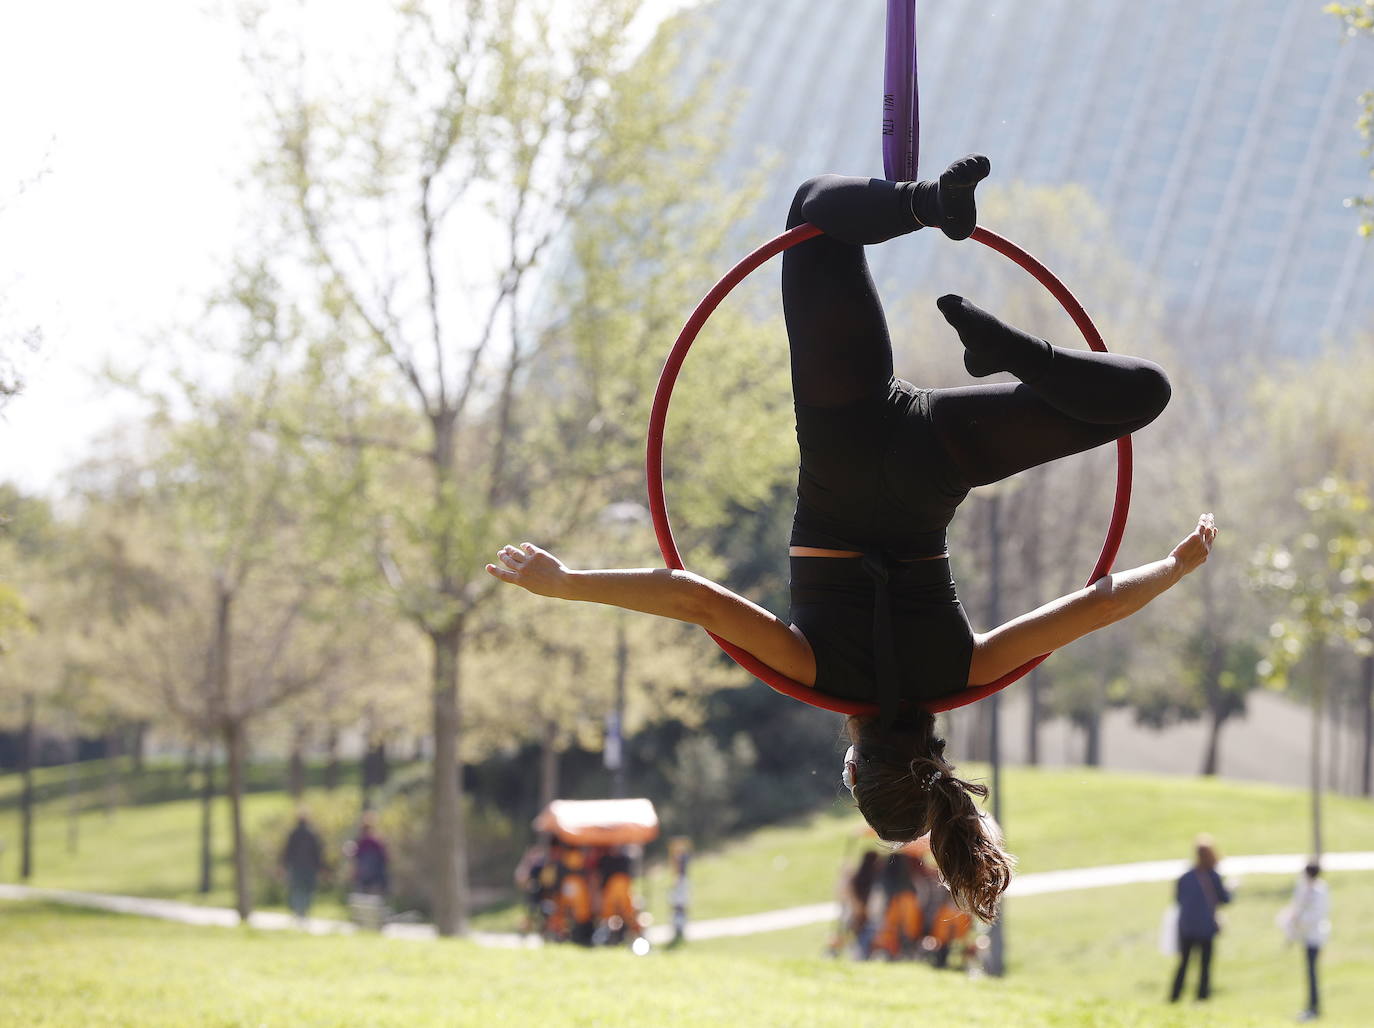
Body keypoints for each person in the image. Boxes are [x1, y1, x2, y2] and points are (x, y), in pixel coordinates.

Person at [487, 156, 1217, 922]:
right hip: (847, 428)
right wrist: (567, 582)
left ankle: (1011, 350)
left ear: (935, 761)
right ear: (850, 766)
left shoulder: (963, 671)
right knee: (813, 216)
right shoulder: (811, 671)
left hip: (941, 456)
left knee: (1140, 394)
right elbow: (688, 595)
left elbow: (1091, 608)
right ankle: (926, 202)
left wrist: (1172, 567)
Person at [1169, 836, 1232, 1002]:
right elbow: (1225, 899)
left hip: (1186, 927)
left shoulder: (1185, 876)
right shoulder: (1213, 876)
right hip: (1205, 928)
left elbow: (1177, 899)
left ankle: (1175, 996)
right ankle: (1201, 998)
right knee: (1204, 965)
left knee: (1183, 963)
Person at [1283, 861, 1330, 1021]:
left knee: (1312, 973)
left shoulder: (1320, 890)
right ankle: (1311, 1005)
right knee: (1309, 972)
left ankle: (1314, 1007)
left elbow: (1317, 915)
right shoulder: (1303, 887)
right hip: (1305, 936)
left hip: (1315, 936)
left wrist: (1300, 922)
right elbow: (1297, 906)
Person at [279, 809, 324, 922]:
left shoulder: (294, 833)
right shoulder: (312, 834)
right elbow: (317, 853)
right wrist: (320, 867)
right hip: (309, 867)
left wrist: (284, 865)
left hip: (296, 867)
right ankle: (303, 912)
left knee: (297, 889)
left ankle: (299, 911)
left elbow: (287, 851)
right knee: (307, 890)